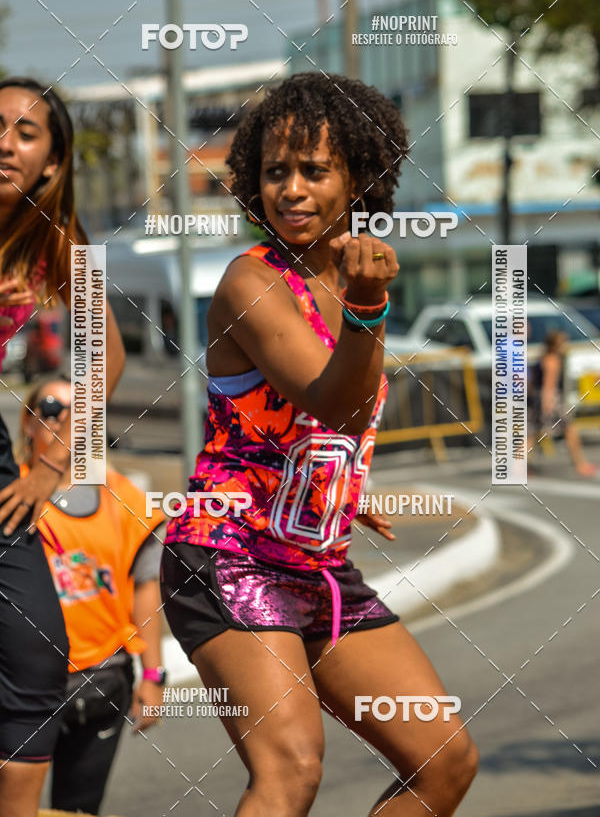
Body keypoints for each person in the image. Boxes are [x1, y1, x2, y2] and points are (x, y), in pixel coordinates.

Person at [161, 72, 478, 817]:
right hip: (227, 555)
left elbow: (323, 429)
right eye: (276, 172)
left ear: (359, 177)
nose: (292, 190)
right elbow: (336, 400)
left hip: (317, 563)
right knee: (291, 770)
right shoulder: (251, 282)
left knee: (444, 761)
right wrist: (369, 309)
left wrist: (333, 496)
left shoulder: (350, 276)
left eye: (314, 170)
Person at [0, 76, 125, 817]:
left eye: (25, 131)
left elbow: (102, 357)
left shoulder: (52, 246)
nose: (4, 142)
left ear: (51, 162)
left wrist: (53, 465)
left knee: (37, 650)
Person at [16, 375, 165, 814]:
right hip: (21, 686)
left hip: (102, 679)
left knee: (78, 810)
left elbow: (145, 590)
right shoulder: (12, 494)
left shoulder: (123, 497)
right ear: (28, 424)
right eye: (50, 409)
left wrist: (153, 677)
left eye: (77, 411)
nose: (65, 420)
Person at [532, 329, 597, 477]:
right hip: (552, 401)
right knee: (570, 431)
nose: (565, 345)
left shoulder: (543, 358)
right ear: (555, 345)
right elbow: (549, 386)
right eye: (563, 343)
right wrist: (547, 407)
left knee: (534, 434)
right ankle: (581, 465)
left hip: (540, 400)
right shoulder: (553, 360)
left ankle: (518, 468)